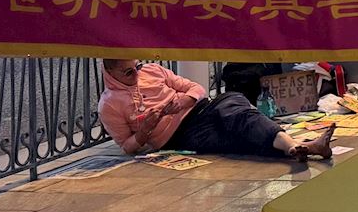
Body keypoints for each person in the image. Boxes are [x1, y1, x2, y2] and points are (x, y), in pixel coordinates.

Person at [99, 59, 335, 161]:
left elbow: (196, 88)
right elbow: (127, 147)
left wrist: (184, 101)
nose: (136, 74)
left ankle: (295, 145)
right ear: (111, 74)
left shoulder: (152, 71)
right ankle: (300, 147)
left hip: (202, 109)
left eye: (137, 66)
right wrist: (144, 131)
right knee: (237, 138)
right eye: (128, 72)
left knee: (235, 104)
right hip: (179, 135)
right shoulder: (109, 104)